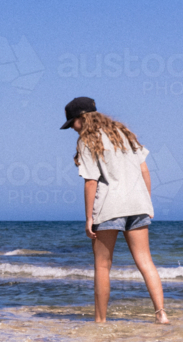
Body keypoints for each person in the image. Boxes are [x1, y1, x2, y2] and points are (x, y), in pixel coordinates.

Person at [61, 97, 169, 324]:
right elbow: (145, 172)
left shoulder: (86, 141)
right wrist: (146, 203)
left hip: (109, 207)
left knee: (102, 265)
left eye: (72, 123)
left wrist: (88, 218)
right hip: (138, 205)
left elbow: (91, 182)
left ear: (82, 118)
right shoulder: (124, 134)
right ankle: (161, 314)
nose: (72, 128)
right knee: (145, 261)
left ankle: (100, 321)